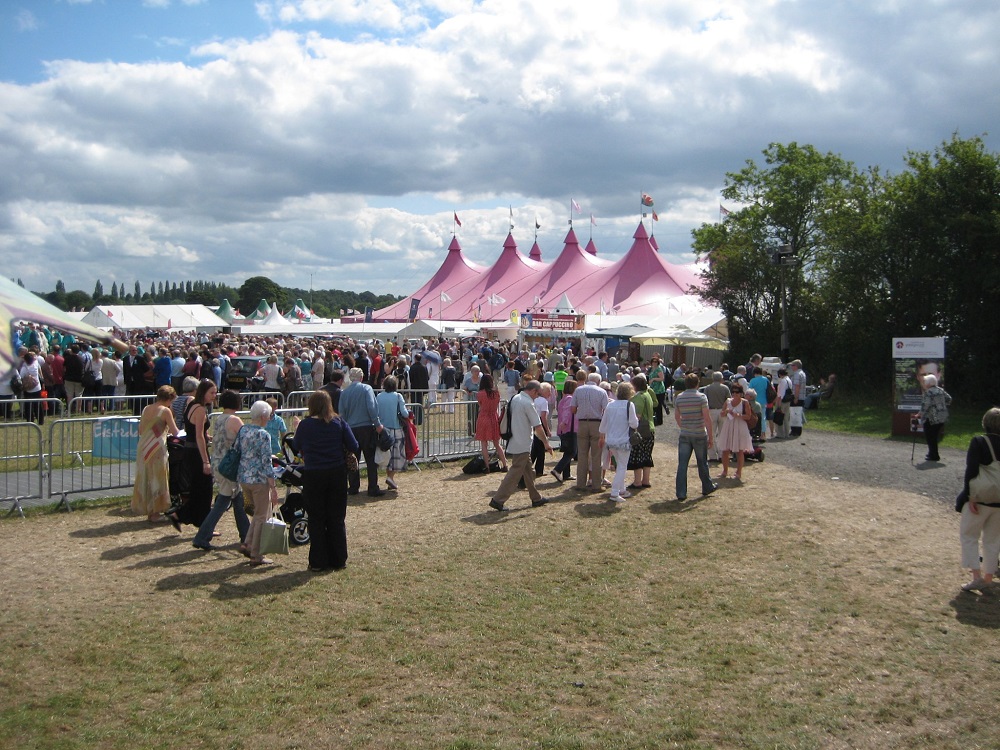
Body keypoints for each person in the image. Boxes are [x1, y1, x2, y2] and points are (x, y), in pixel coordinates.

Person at [293, 391, 359, 572]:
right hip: (336, 473)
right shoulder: (338, 423)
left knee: (316, 518)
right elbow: (354, 445)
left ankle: (318, 561)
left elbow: (296, 446)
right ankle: (338, 559)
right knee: (336, 518)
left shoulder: (305, 425)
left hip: (314, 474)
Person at [191, 389, 251, 552]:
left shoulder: (218, 418)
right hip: (229, 466)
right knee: (223, 502)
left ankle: (246, 534)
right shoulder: (235, 420)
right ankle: (202, 537)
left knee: (237, 500)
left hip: (218, 463)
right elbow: (247, 439)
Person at [488, 380, 552, 511]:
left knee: (529, 472)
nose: (537, 397)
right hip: (522, 443)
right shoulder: (528, 403)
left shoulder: (516, 398)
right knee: (515, 473)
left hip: (516, 440)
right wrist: (546, 443)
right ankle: (498, 500)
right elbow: (538, 426)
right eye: (538, 394)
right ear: (534, 391)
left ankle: (536, 498)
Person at [955, 408, 1000, 592]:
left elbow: (971, 470)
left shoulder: (979, 442)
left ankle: (976, 576)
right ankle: (989, 579)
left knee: (969, 536)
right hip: (999, 501)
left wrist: (970, 496)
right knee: (993, 540)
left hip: (980, 498)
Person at [166, 379, 217, 532]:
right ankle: (203, 524)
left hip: (189, 449)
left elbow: (197, 432)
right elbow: (199, 436)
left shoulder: (191, 405)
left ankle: (182, 516)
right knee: (205, 490)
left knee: (197, 489)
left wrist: (208, 438)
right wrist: (206, 461)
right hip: (196, 452)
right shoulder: (200, 409)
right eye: (212, 392)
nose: (214, 395)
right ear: (204, 392)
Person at [238, 400, 281, 566]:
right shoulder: (263, 435)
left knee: (257, 514)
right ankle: (256, 554)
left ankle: (248, 543)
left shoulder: (243, 430)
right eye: (269, 416)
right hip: (259, 480)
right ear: (263, 416)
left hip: (244, 478)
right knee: (263, 516)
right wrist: (273, 486)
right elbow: (266, 462)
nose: (269, 419)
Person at [130, 385, 180, 522]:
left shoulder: (146, 409)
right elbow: (175, 431)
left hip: (143, 446)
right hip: (157, 447)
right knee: (158, 478)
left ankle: (149, 509)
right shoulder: (165, 411)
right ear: (169, 399)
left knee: (146, 477)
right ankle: (156, 512)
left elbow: (141, 430)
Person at [339, 367, 385, 497]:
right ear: (361, 377)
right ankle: (372, 487)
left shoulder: (344, 392)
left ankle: (353, 487)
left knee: (353, 459)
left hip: (350, 429)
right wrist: (377, 423)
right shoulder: (367, 389)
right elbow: (371, 407)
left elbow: (341, 413)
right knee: (370, 459)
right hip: (366, 428)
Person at [673, 372, 717, 501]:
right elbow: (707, 418)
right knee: (702, 462)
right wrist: (711, 436)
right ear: (697, 383)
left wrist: (683, 426)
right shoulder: (701, 397)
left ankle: (681, 492)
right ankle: (707, 486)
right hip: (699, 433)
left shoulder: (679, 397)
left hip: (685, 434)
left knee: (682, 464)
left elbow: (677, 417)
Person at [599, 382, 639, 503]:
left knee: (620, 465)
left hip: (611, 441)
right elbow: (634, 424)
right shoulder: (629, 405)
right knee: (622, 466)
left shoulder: (610, 405)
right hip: (623, 441)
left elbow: (602, 427)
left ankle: (621, 489)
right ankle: (615, 492)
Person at [573, 372, 608, 493]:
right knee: (596, 455)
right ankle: (596, 485)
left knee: (582, 455)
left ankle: (580, 483)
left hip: (582, 423)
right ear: (598, 381)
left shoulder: (578, 390)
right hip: (596, 423)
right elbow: (606, 409)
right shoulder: (601, 392)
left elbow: (573, 408)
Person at [375, 375, 411, 490]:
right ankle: (390, 477)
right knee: (396, 457)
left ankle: (389, 477)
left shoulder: (379, 396)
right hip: (396, 429)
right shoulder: (398, 396)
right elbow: (404, 413)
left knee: (387, 455)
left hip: (383, 430)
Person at [717, 383, 754, 481]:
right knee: (725, 449)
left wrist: (737, 415)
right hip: (728, 425)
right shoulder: (728, 401)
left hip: (740, 426)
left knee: (739, 450)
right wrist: (726, 412)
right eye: (733, 392)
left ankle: (739, 472)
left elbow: (748, 416)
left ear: (741, 393)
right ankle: (724, 471)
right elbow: (721, 413)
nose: (734, 394)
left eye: (737, 392)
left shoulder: (745, 402)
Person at [474, 373, 508, 472]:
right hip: (493, 417)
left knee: (484, 444)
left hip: (483, 417)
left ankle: (487, 466)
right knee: (497, 444)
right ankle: (505, 464)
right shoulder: (496, 393)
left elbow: (480, 404)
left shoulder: (480, 393)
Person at [627, 373, 655, 489]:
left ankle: (637, 481)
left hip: (641, 428)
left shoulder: (638, 398)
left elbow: (637, 415)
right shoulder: (647, 394)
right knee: (647, 455)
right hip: (650, 427)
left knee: (637, 454)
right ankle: (646, 480)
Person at [918, 374, 952, 463]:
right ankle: (932, 453)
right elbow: (949, 399)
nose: (924, 383)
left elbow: (925, 405)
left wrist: (919, 414)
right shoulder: (940, 390)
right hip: (941, 416)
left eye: (925, 381)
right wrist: (942, 406)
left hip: (931, 417)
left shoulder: (928, 392)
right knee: (935, 436)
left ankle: (934, 455)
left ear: (929, 383)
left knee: (930, 437)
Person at [550, 379, 577, 483]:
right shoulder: (570, 399)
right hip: (569, 428)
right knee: (572, 452)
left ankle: (567, 474)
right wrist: (565, 422)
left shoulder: (563, 399)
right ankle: (557, 470)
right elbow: (567, 412)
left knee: (567, 451)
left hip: (564, 429)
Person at [530, 382, 551, 477]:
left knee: (535, 447)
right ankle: (539, 470)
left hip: (532, 423)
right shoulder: (544, 402)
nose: (550, 394)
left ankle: (531, 467)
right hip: (539, 424)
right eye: (549, 391)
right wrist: (547, 429)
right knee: (541, 448)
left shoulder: (534, 400)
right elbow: (543, 416)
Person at [647, 356, 668, 425]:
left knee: (658, 405)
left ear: (658, 362)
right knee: (654, 404)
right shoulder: (652, 369)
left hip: (659, 390)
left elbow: (662, 378)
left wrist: (654, 379)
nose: (654, 363)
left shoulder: (659, 369)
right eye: (653, 361)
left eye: (656, 362)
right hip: (653, 389)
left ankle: (659, 421)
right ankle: (654, 419)